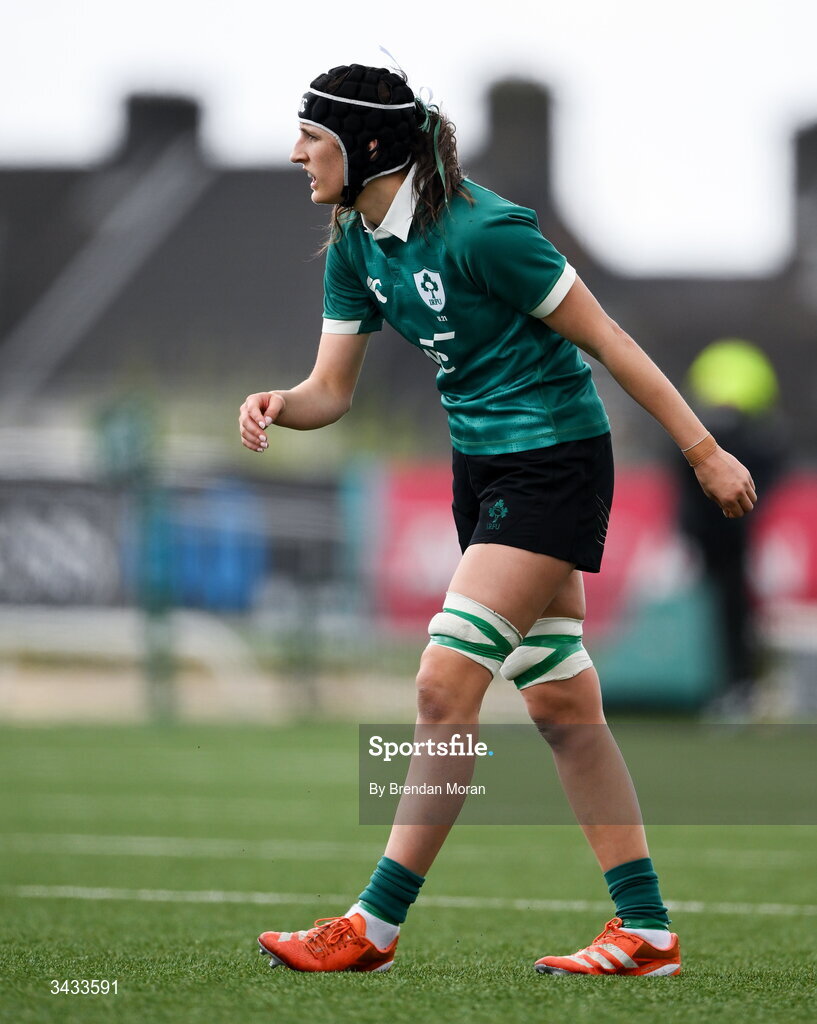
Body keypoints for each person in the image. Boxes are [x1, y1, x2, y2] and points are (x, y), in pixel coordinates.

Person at [239, 64, 756, 977]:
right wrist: (282, 401)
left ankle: (374, 924)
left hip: (554, 463)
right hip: (480, 472)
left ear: (365, 148)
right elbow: (332, 391)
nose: (295, 153)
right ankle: (645, 931)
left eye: (311, 138)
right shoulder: (358, 243)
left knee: (443, 685)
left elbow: (610, 342)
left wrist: (702, 451)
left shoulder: (486, 230)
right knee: (560, 702)